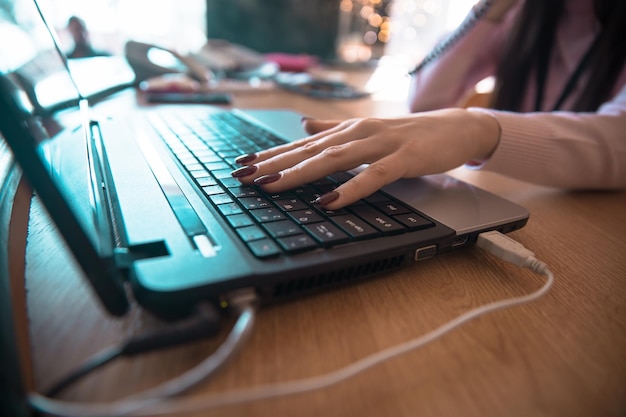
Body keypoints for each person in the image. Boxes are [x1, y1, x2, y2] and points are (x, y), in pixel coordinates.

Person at [230, 0, 626, 210]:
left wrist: (477, 130)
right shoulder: (526, 15)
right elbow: (427, 101)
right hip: (510, 190)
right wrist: (487, 11)